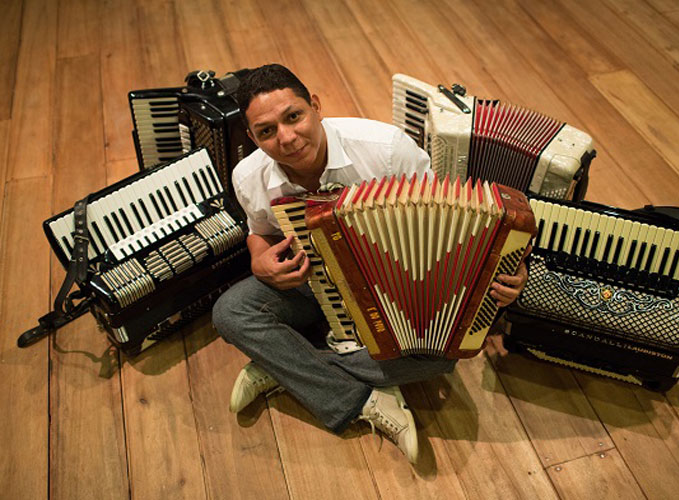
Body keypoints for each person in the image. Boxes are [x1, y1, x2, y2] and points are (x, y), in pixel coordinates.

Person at [212, 64, 528, 464]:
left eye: (294, 117)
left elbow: (451, 226)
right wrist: (258, 258)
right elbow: (260, 229)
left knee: (441, 357)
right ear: (252, 136)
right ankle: (360, 395)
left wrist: (509, 274)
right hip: (312, 283)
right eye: (266, 131)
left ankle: (282, 368)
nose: (287, 138)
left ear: (315, 106)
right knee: (231, 313)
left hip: (397, 291)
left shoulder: (388, 149)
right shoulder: (248, 175)